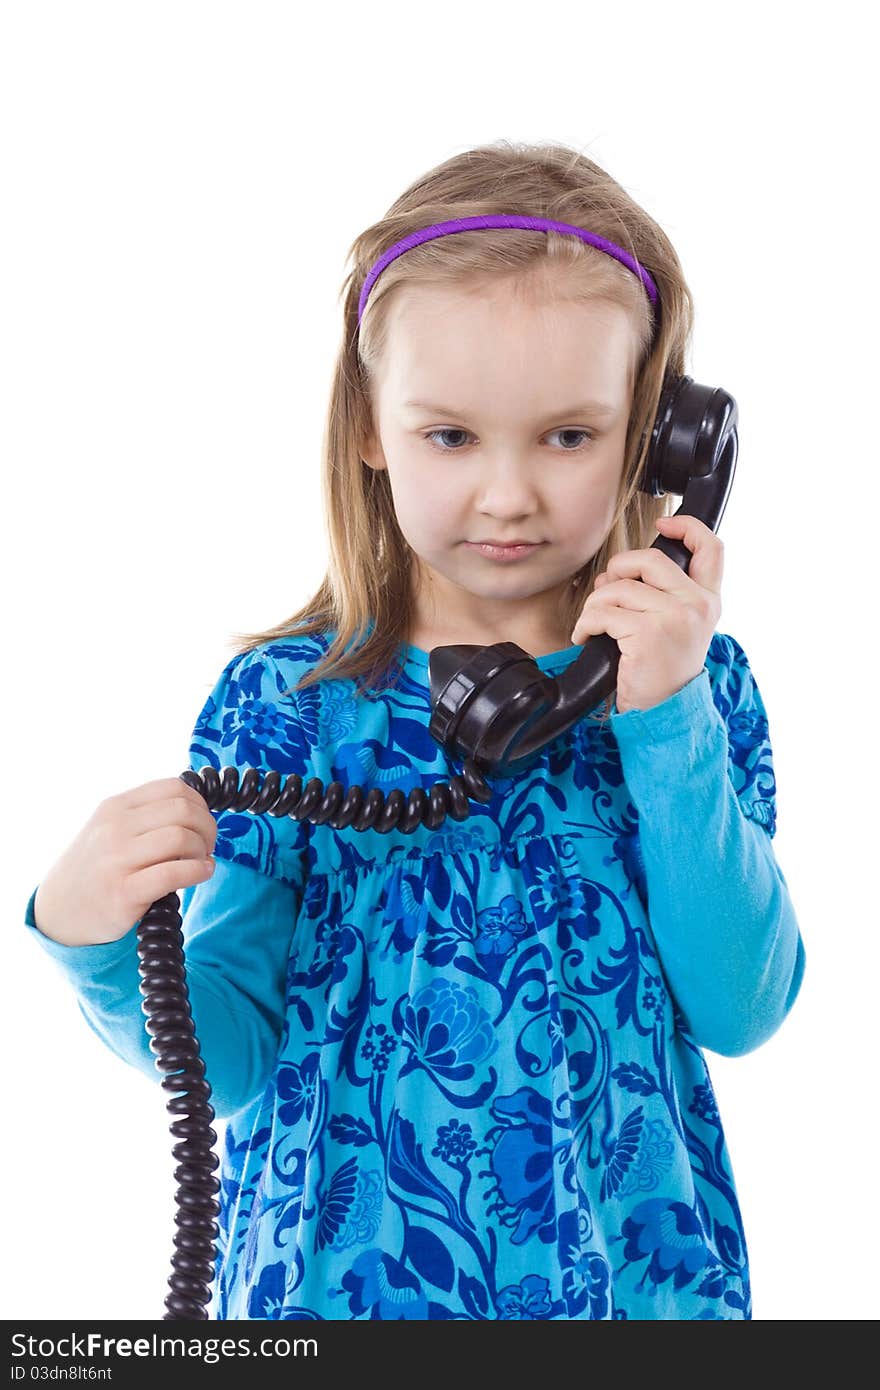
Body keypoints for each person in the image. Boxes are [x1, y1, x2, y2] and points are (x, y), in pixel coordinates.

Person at [24, 139, 805, 1321]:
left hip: (625, 1288)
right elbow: (229, 1055)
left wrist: (666, 718)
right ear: (371, 428)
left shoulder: (692, 686)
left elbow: (742, 1003)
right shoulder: (287, 707)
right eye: (450, 437)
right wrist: (95, 944)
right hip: (343, 1297)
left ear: (663, 439)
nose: (507, 494)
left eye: (568, 435)